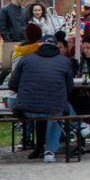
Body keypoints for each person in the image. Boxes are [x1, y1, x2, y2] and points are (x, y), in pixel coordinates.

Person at [8, 34, 73, 163]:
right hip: (53, 109)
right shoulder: (65, 61)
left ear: (39, 45)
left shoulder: (26, 59)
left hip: (27, 110)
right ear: (56, 47)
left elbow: (12, 84)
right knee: (56, 112)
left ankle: (39, 147)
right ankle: (50, 150)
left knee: (48, 108)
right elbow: (69, 87)